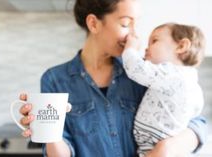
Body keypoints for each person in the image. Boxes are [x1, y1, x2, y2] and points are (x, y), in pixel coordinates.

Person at [19, 0, 207, 157]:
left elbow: (197, 123)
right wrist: (48, 131)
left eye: (136, 24)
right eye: (126, 24)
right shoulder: (55, 79)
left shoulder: (141, 72)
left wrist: (167, 147)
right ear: (94, 24)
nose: (134, 34)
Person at [122, 23, 205, 157]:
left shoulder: (172, 74)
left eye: (154, 41)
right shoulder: (190, 81)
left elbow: (135, 69)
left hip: (156, 146)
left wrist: (130, 48)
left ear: (181, 46)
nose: (146, 48)